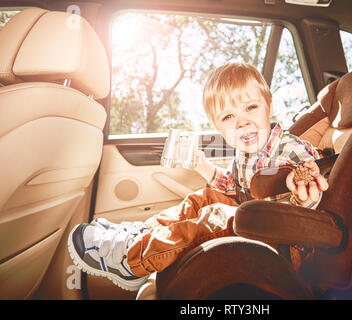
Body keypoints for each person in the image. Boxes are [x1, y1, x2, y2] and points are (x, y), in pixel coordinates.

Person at [67, 63, 329, 291]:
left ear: (269, 107)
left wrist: (306, 196)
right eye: (229, 117)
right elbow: (231, 188)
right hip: (254, 220)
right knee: (203, 198)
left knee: (217, 216)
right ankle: (145, 233)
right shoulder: (246, 154)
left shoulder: (292, 149)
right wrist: (201, 165)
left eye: (251, 108)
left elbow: (310, 196)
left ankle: (133, 259)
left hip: (286, 242)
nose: (242, 122)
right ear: (219, 128)